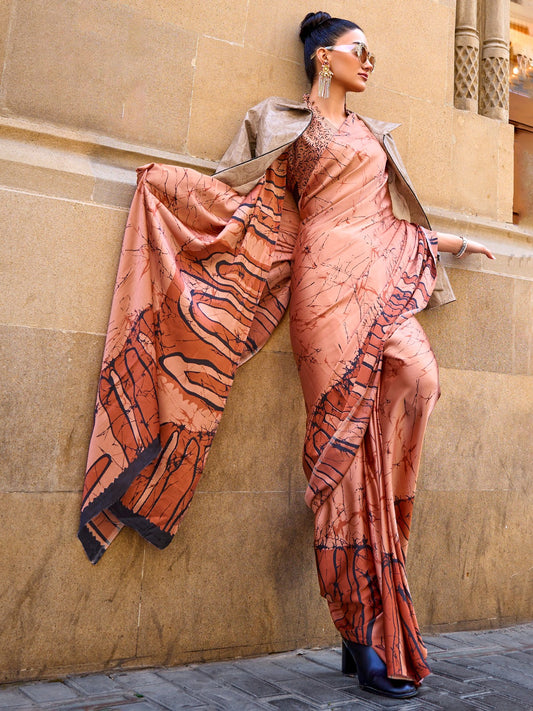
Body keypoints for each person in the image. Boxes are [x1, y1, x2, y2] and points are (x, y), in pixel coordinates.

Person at [78, 10, 495, 702]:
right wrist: (165, 188)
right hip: (320, 287)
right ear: (323, 59)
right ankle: (359, 636)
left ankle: (374, 579)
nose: (370, 62)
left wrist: (451, 243)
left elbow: (393, 220)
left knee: (418, 381)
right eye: (359, 51)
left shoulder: (372, 135)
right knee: (337, 451)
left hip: (382, 278)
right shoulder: (280, 125)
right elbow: (236, 197)